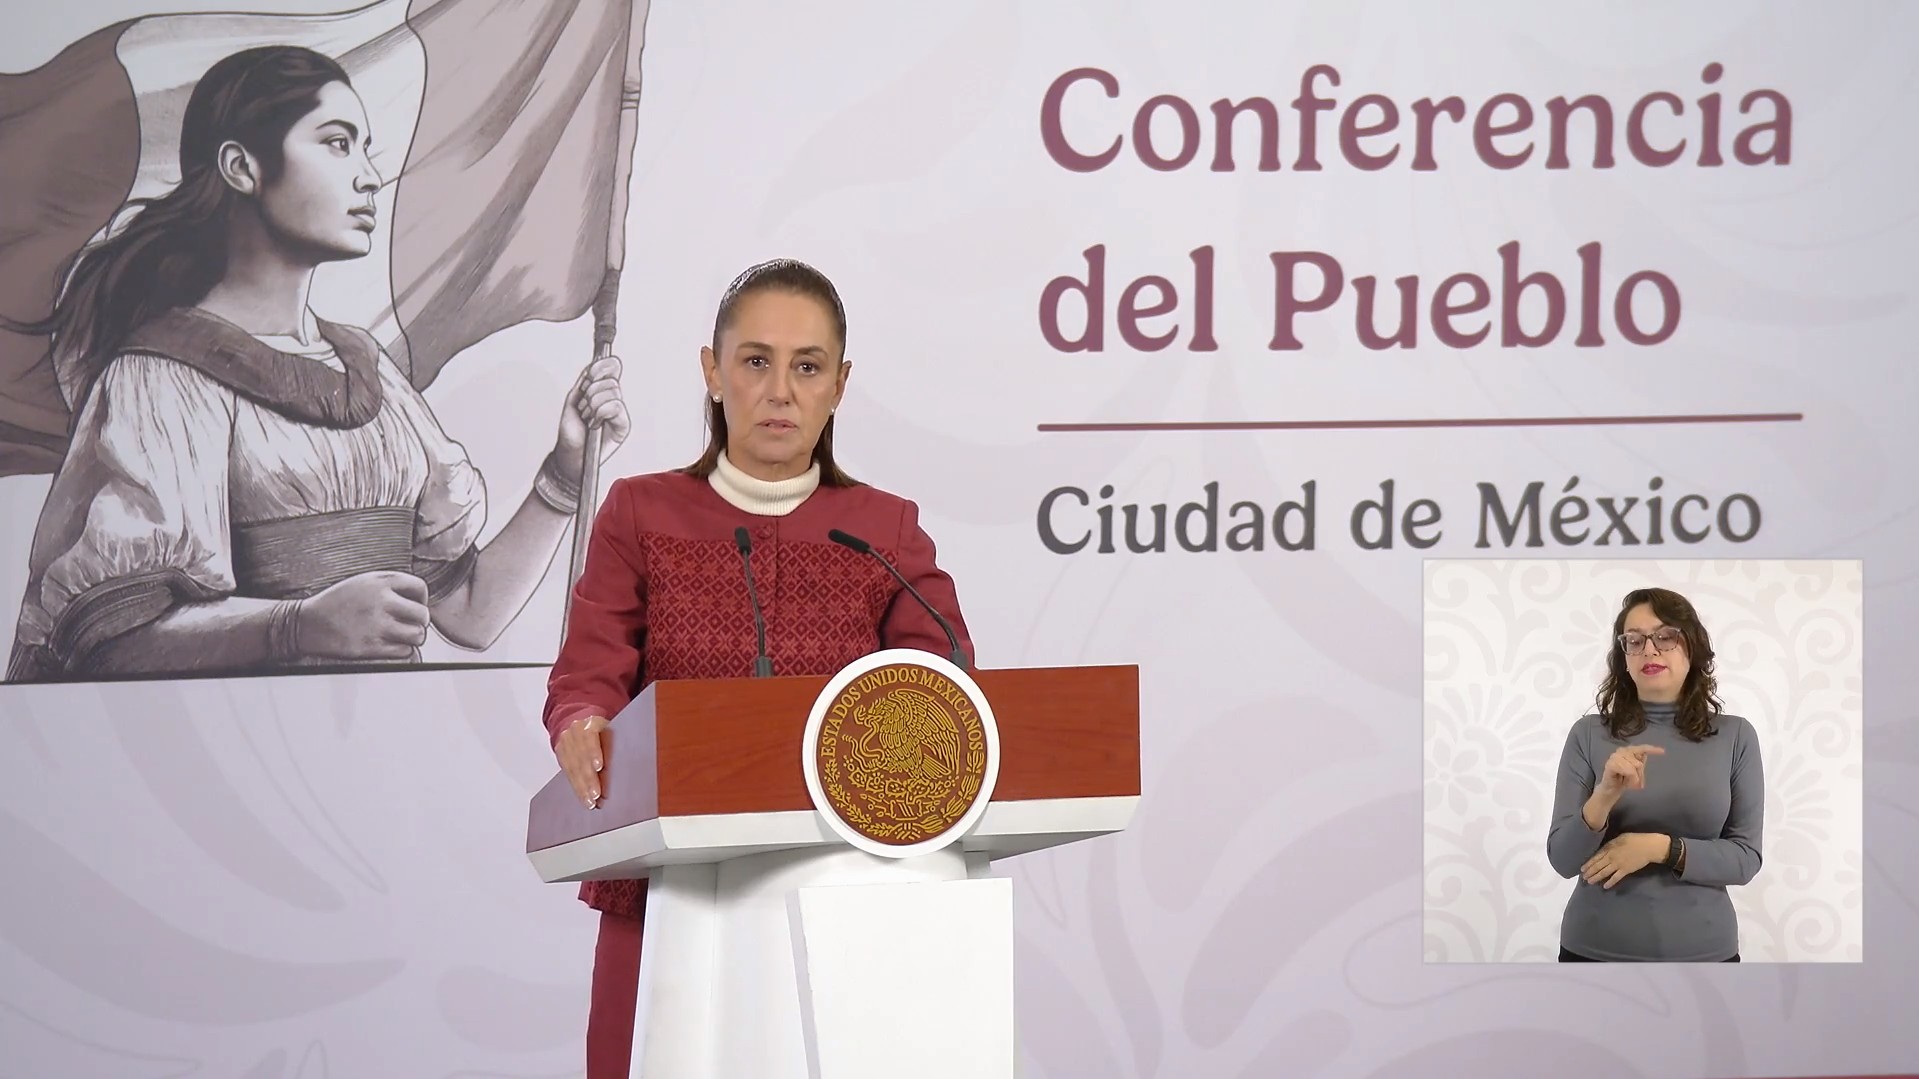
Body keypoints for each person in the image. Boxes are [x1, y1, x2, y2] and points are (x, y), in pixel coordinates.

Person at [4, 45, 627, 680]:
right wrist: (296, 625)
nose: (367, 176)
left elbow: (471, 613)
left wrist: (564, 474)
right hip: (238, 754)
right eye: (337, 143)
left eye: (364, 148)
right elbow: (110, 645)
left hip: (386, 745)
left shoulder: (373, 373)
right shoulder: (162, 378)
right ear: (241, 167)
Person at [541, 257, 974, 1076]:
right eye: (755, 361)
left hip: (846, 888)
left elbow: (939, 670)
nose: (780, 390)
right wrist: (581, 721)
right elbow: (590, 668)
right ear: (712, 371)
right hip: (665, 884)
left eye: (807, 366)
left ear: (839, 385)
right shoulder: (642, 510)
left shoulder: (883, 528)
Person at [1545, 586, 1764, 961]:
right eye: (1634, 640)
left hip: (1705, 954)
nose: (1649, 649)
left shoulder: (1735, 736)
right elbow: (1563, 860)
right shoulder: (1588, 734)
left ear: (1691, 647)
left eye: (1665, 636)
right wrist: (1605, 794)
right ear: (1624, 658)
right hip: (1592, 952)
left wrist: (1659, 848)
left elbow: (1746, 858)